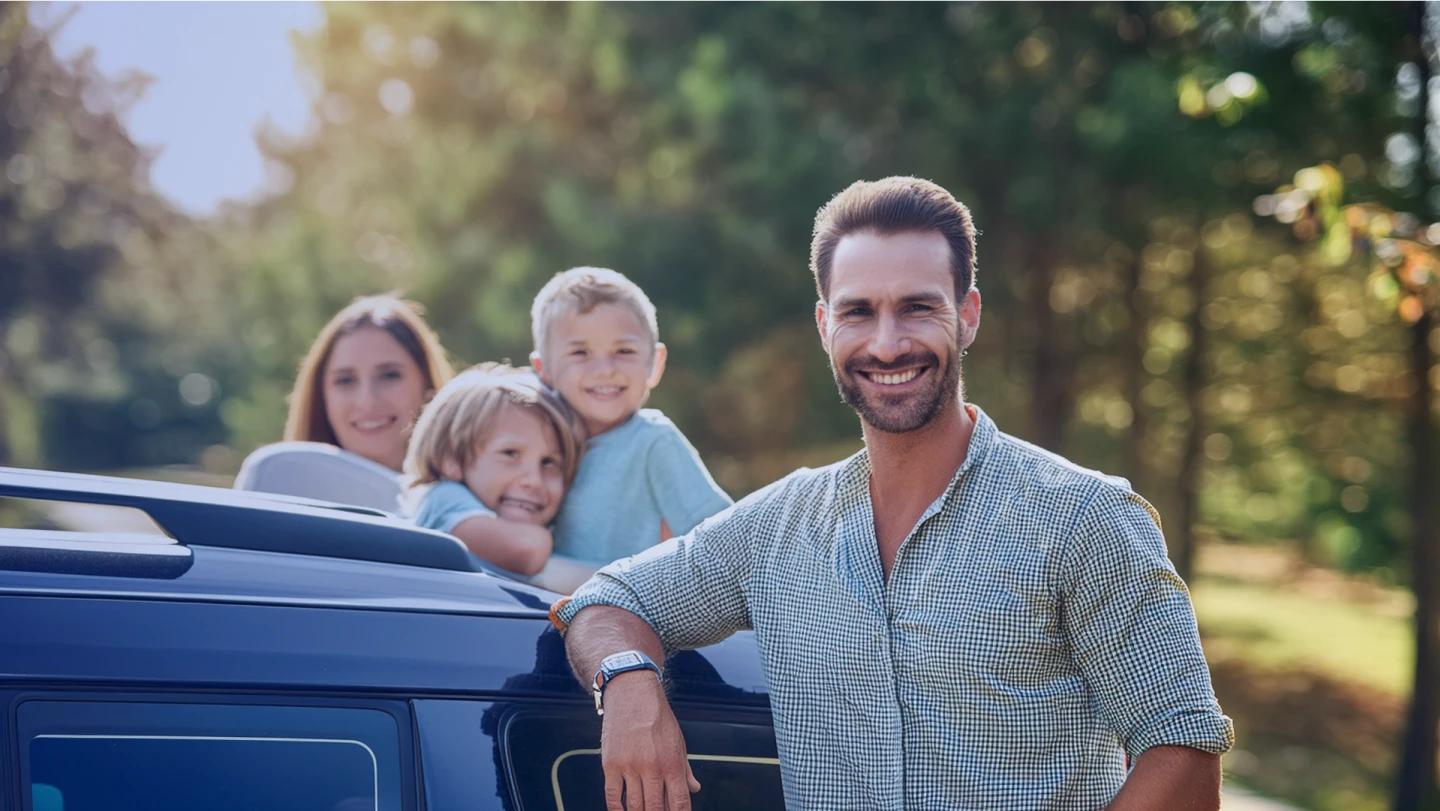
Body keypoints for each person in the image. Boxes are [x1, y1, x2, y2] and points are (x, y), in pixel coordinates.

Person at [551, 177, 1234, 810]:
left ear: (967, 314)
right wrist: (631, 684)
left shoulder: (1085, 518)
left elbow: (1184, 747)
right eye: (859, 311)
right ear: (825, 326)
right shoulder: (772, 529)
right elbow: (609, 598)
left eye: (917, 307)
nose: (887, 342)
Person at [528, 267, 732, 566]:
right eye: (580, 353)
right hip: (531, 607)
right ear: (543, 368)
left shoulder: (653, 442)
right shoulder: (537, 443)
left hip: (624, 607)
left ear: (655, 363)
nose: (604, 369)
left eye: (624, 350)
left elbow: (724, 542)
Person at [234, 294, 454, 511]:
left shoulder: (472, 513)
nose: (367, 401)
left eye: (389, 375)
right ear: (321, 396)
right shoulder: (271, 489)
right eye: (345, 380)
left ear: (428, 388)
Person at [405, 363, 587, 580]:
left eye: (549, 462)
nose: (534, 481)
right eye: (510, 454)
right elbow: (526, 549)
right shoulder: (443, 498)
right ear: (451, 459)